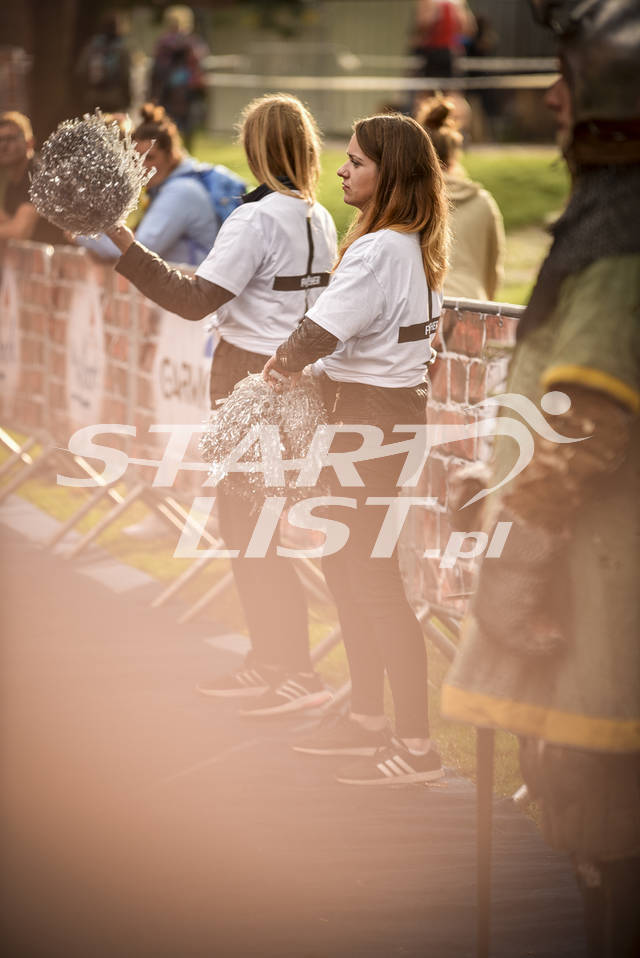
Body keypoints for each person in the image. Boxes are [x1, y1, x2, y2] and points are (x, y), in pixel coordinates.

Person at [441, 1, 640, 954]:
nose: (553, 97)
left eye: (574, 79)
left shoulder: (624, 244)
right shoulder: (611, 227)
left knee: (609, 830)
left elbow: (586, 428)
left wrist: (515, 567)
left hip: (609, 590)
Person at [105, 94, 337, 713]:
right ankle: (277, 663)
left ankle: (289, 669)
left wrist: (126, 245)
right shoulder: (318, 214)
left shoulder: (255, 217)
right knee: (256, 529)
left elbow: (194, 300)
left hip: (250, 376)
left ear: (255, 147)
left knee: (248, 530)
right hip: (293, 377)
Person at [263, 112, 449, 785]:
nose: (342, 170)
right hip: (376, 418)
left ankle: (417, 745)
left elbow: (318, 332)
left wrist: (277, 369)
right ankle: (367, 717)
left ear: (389, 174)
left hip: (370, 421)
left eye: (357, 162)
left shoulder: (380, 250)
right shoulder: (406, 244)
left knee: (372, 579)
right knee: (346, 569)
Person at [75, 104, 222, 266]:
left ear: (171, 156)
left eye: (150, 157)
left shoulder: (181, 192)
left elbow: (135, 249)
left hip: (195, 279)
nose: (141, 166)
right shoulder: (163, 188)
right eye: (136, 157)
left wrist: (80, 234)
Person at [416, 95, 505, 300]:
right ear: (454, 156)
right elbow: (493, 269)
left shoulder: (411, 199)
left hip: (425, 303)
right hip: (472, 302)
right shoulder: (483, 201)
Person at [0, 111, 66, 253]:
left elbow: (19, 232)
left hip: (66, 260)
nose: (4, 146)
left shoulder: (38, 174)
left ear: (30, 142)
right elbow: (7, 221)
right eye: (0, 140)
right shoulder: (13, 181)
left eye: (10, 139)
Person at [149, 5, 208, 153]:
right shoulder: (193, 42)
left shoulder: (163, 43)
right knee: (187, 129)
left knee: (168, 125)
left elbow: (156, 70)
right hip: (186, 92)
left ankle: (171, 153)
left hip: (170, 92)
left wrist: (153, 93)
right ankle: (184, 154)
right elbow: (199, 66)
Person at [75, 10, 132, 116]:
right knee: (113, 124)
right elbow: (125, 75)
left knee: (94, 124)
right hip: (114, 97)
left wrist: (84, 92)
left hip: (93, 96)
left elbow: (81, 71)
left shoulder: (92, 45)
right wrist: (128, 99)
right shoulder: (121, 48)